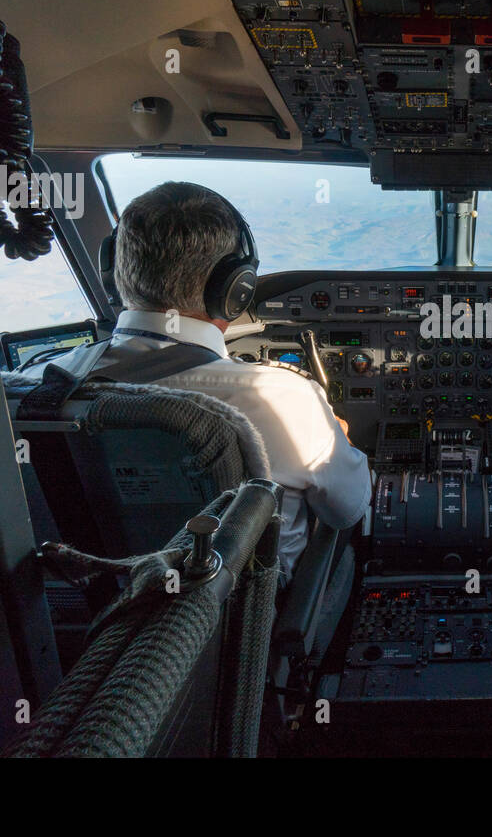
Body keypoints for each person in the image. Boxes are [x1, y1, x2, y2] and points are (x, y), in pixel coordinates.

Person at [22, 181, 371, 578]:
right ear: (234, 289)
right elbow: (347, 509)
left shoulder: (30, 389)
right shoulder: (284, 399)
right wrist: (332, 440)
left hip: (77, 619)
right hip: (240, 627)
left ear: (111, 272)